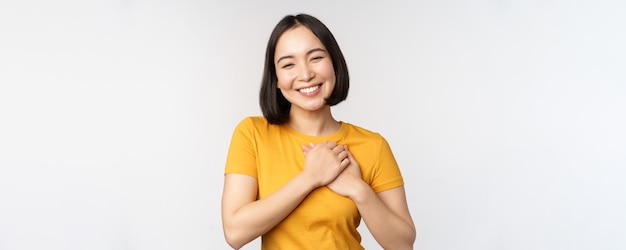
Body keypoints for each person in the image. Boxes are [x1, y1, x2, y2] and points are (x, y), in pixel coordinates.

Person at [221, 13, 416, 250]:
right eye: (288, 64)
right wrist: (311, 177)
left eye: (315, 58)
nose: (305, 74)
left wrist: (358, 190)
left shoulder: (373, 145)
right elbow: (235, 232)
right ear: (276, 78)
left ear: (334, 62)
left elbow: (403, 244)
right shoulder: (252, 134)